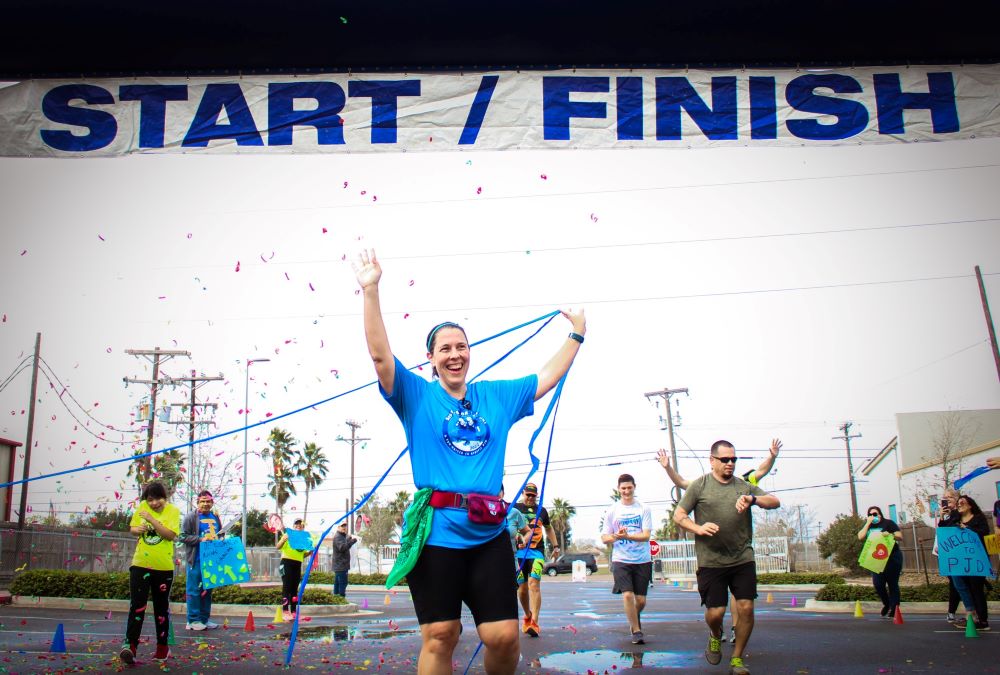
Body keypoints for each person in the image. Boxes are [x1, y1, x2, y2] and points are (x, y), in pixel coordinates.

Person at [353, 248, 584, 675]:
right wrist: (371, 290)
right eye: (445, 348)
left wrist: (577, 335)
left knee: (503, 637)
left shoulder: (495, 396)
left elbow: (546, 378)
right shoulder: (415, 396)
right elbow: (382, 357)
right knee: (441, 635)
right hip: (436, 536)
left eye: (461, 346)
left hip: (487, 534)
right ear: (432, 359)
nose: (455, 353)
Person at [672, 440, 780, 675]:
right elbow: (679, 515)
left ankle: (737, 659)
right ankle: (714, 633)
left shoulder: (743, 486)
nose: (730, 463)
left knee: (746, 608)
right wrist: (697, 528)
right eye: (725, 459)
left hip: (742, 558)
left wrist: (753, 499)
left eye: (733, 459)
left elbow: (774, 501)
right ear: (712, 460)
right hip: (711, 561)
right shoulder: (699, 486)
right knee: (716, 613)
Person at [119, 481, 180, 665]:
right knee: (137, 605)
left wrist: (152, 520)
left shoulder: (173, 511)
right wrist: (138, 529)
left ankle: (162, 647)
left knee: (161, 607)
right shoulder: (142, 507)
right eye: (150, 499)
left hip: (163, 567)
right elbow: (133, 529)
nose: (154, 503)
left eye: (158, 499)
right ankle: (130, 646)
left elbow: (170, 535)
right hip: (140, 564)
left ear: (165, 497)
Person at [600, 473, 652, 645]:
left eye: (629, 487)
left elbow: (645, 535)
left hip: (642, 559)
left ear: (634, 487)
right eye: (623, 488)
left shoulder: (644, 508)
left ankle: (634, 618)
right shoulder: (612, 510)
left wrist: (628, 536)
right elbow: (605, 537)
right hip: (621, 559)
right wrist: (617, 536)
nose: (626, 491)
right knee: (628, 595)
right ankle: (636, 630)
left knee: (641, 600)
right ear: (618, 489)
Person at [513, 482, 560, 638]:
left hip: (537, 553)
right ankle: (527, 616)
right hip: (519, 553)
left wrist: (555, 546)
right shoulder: (515, 508)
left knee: (534, 584)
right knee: (522, 588)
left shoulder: (542, 511)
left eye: (534, 496)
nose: (531, 498)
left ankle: (534, 622)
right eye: (528, 495)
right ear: (523, 494)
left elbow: (549, 528)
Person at [178, 490, 223, 631]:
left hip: (211, 560)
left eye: (208, 501)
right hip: (195, 559)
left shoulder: (215, 517)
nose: (205, 504)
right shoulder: (191, 517)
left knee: (207, 590)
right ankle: (192, 620)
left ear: (212, 502)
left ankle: (204, 618)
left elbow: (220, 534)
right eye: (202, 501)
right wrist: (201, 539)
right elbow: (182, 536)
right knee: (194, 590)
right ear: (197, 502)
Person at [856, 506, 903, 619]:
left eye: (875, 514)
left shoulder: (888, 523)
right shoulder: (869, 525)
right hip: (876, 559)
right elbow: (860, 536)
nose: (874, 516)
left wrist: (891, 534)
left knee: (893, 584)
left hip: (892, 558)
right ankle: (886, 604)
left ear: (880, 514)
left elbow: (900, 536)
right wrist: (867, 523)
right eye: (871, 514)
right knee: (878, 584)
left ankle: (894, 608)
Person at [952, 495, 991, 631]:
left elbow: (984, 533)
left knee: (976, 589)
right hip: (961, 560)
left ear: (970, 505)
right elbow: (945, 530)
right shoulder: (956, 519)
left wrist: (967, 529)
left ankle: (983, 620)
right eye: (958, 503)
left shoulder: (978, 518)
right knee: (966, 588)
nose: (960, 504)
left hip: (976, 560)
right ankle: (973, 617)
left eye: (962, 502)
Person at [935, 488, 962, 623]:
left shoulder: (960, 513)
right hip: (950, 555)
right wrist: (941, 517)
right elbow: (942, 530)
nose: (946, 500)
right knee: (954, 584)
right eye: (944, 498)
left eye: (949, 497)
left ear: (957, 499)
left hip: (962, 554)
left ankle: (972, 612)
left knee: (961, 584)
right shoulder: (947, 515)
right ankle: (951, 612)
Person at [276, 518, 309, 620]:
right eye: (296, 524)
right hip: (286, 563)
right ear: (294, 526)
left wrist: (311, 552)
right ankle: (285, 611)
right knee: (287, 587)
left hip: (297, 564)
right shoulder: (288, 535)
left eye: (300, 525)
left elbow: (302, 555)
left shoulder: (304, 539)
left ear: (303, 527)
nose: (298, 526)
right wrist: (283, 539)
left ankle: (294, 612)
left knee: (295, 588)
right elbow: (278, 547)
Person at [500, 485, 529, 559]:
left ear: (503, 493)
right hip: (489, 563)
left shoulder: (514, 512)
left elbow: (529, 531)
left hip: (511, 561)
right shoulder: (481, 513)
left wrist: (523, 540)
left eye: (498, 490)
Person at [332, 521, 357, 597]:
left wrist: (349, 539)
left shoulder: (342, 536)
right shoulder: (338, 537)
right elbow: (342, 548)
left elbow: (344, 543)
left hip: (341, 565)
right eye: (342, 526)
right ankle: (341, 599)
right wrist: (352, 542)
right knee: (343, 583)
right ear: (338, 527)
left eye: (345, 526)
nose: (344, 527)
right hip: (340, 565)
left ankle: (336, 599)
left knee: (338, 583)